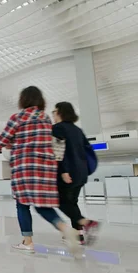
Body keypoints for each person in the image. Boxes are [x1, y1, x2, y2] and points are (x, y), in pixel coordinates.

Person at [0, 86, 80, 254]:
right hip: (45, 168)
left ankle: (27, 241)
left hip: (25, 167)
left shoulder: (18, 117)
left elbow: (3, 139)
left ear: (23, 100)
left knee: (22, 203)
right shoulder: (45, 118)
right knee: (41, 204)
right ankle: (65, 228)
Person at [52, 102, 100, 245]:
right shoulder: (78, 130)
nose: (53, 114)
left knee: (58, 200)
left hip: (67, 173)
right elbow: (87, 151)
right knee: (72, 203)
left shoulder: (57, 128)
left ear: (60, 112)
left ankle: (86, 222)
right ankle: (78, 236)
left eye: (54, 111)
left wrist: (64, 170)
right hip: (81, 173)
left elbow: (58, 151)